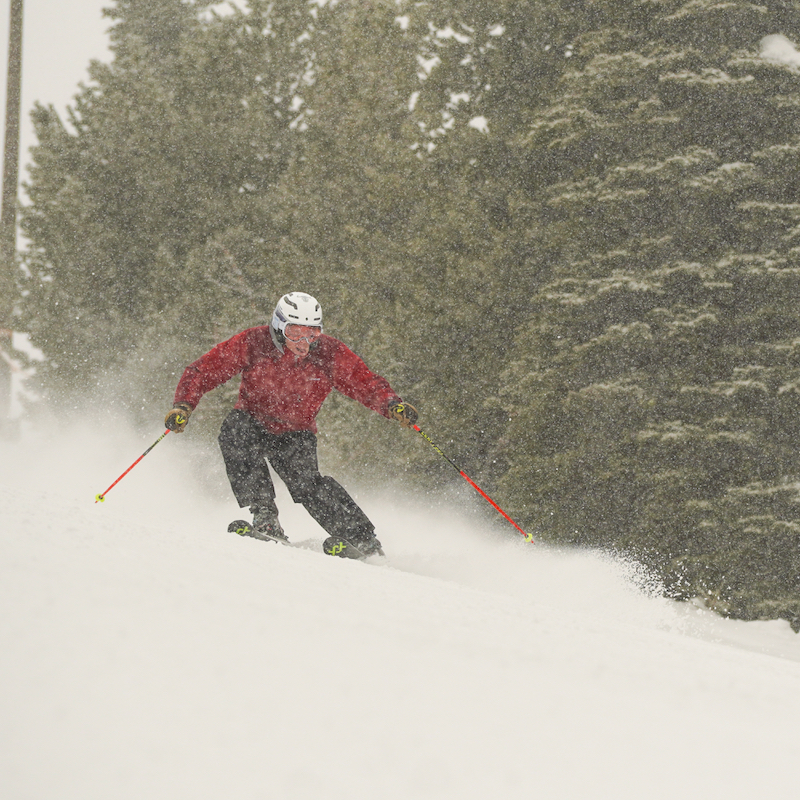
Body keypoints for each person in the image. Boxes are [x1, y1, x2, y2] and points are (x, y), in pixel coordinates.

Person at [164, 291, 418, 558]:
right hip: (253, 420)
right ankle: (265, 517)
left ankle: (363, 541)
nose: (303, 342)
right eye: (295, 332)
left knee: (307, 484)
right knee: (234, 432)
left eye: (312, 333)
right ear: (278, 326)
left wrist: (392, 405)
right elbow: (205, 370)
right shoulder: (255, 342)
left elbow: (363, 382)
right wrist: (184, 405)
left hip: (296, 432)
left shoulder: (329, 353)